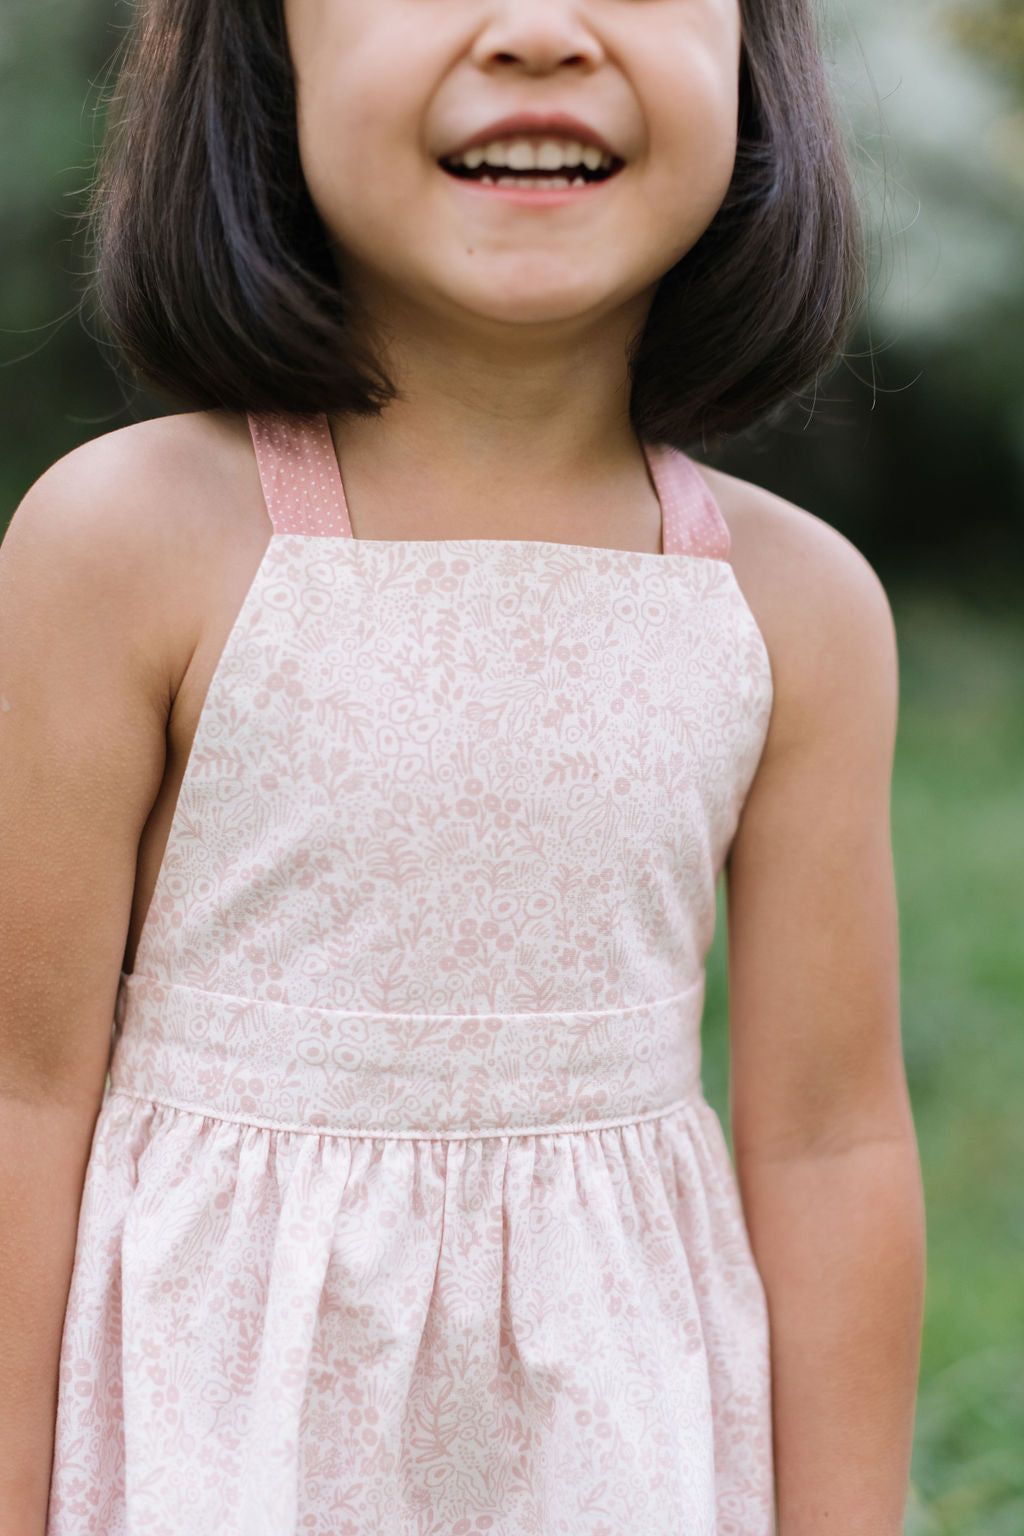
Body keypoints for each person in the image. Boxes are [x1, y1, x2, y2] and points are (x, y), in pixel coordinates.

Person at [0, 0, 927, 1532]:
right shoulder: (127, 544)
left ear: (758, 57)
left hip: (606, 1441)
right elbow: (22, 1093)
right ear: (261, 55)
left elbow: (834, 1143)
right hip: (212, 1446)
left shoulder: (792, 607)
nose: (541, 31)